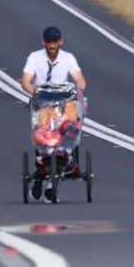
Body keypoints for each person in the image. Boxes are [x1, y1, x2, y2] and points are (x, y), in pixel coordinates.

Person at [22, 26, 87, 202]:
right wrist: (35, 92)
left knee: (70, 126)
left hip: (64, 101)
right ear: (43, 42)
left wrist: (78, 90)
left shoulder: (68, 58)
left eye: (55, 42)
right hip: (44, 102)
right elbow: (26, 80)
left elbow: (79, 80)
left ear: (60, 42)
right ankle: (41, 168)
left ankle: (61, 167)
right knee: (44, 134)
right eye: (49, 42)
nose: (52, 46)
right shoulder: (35, 57)